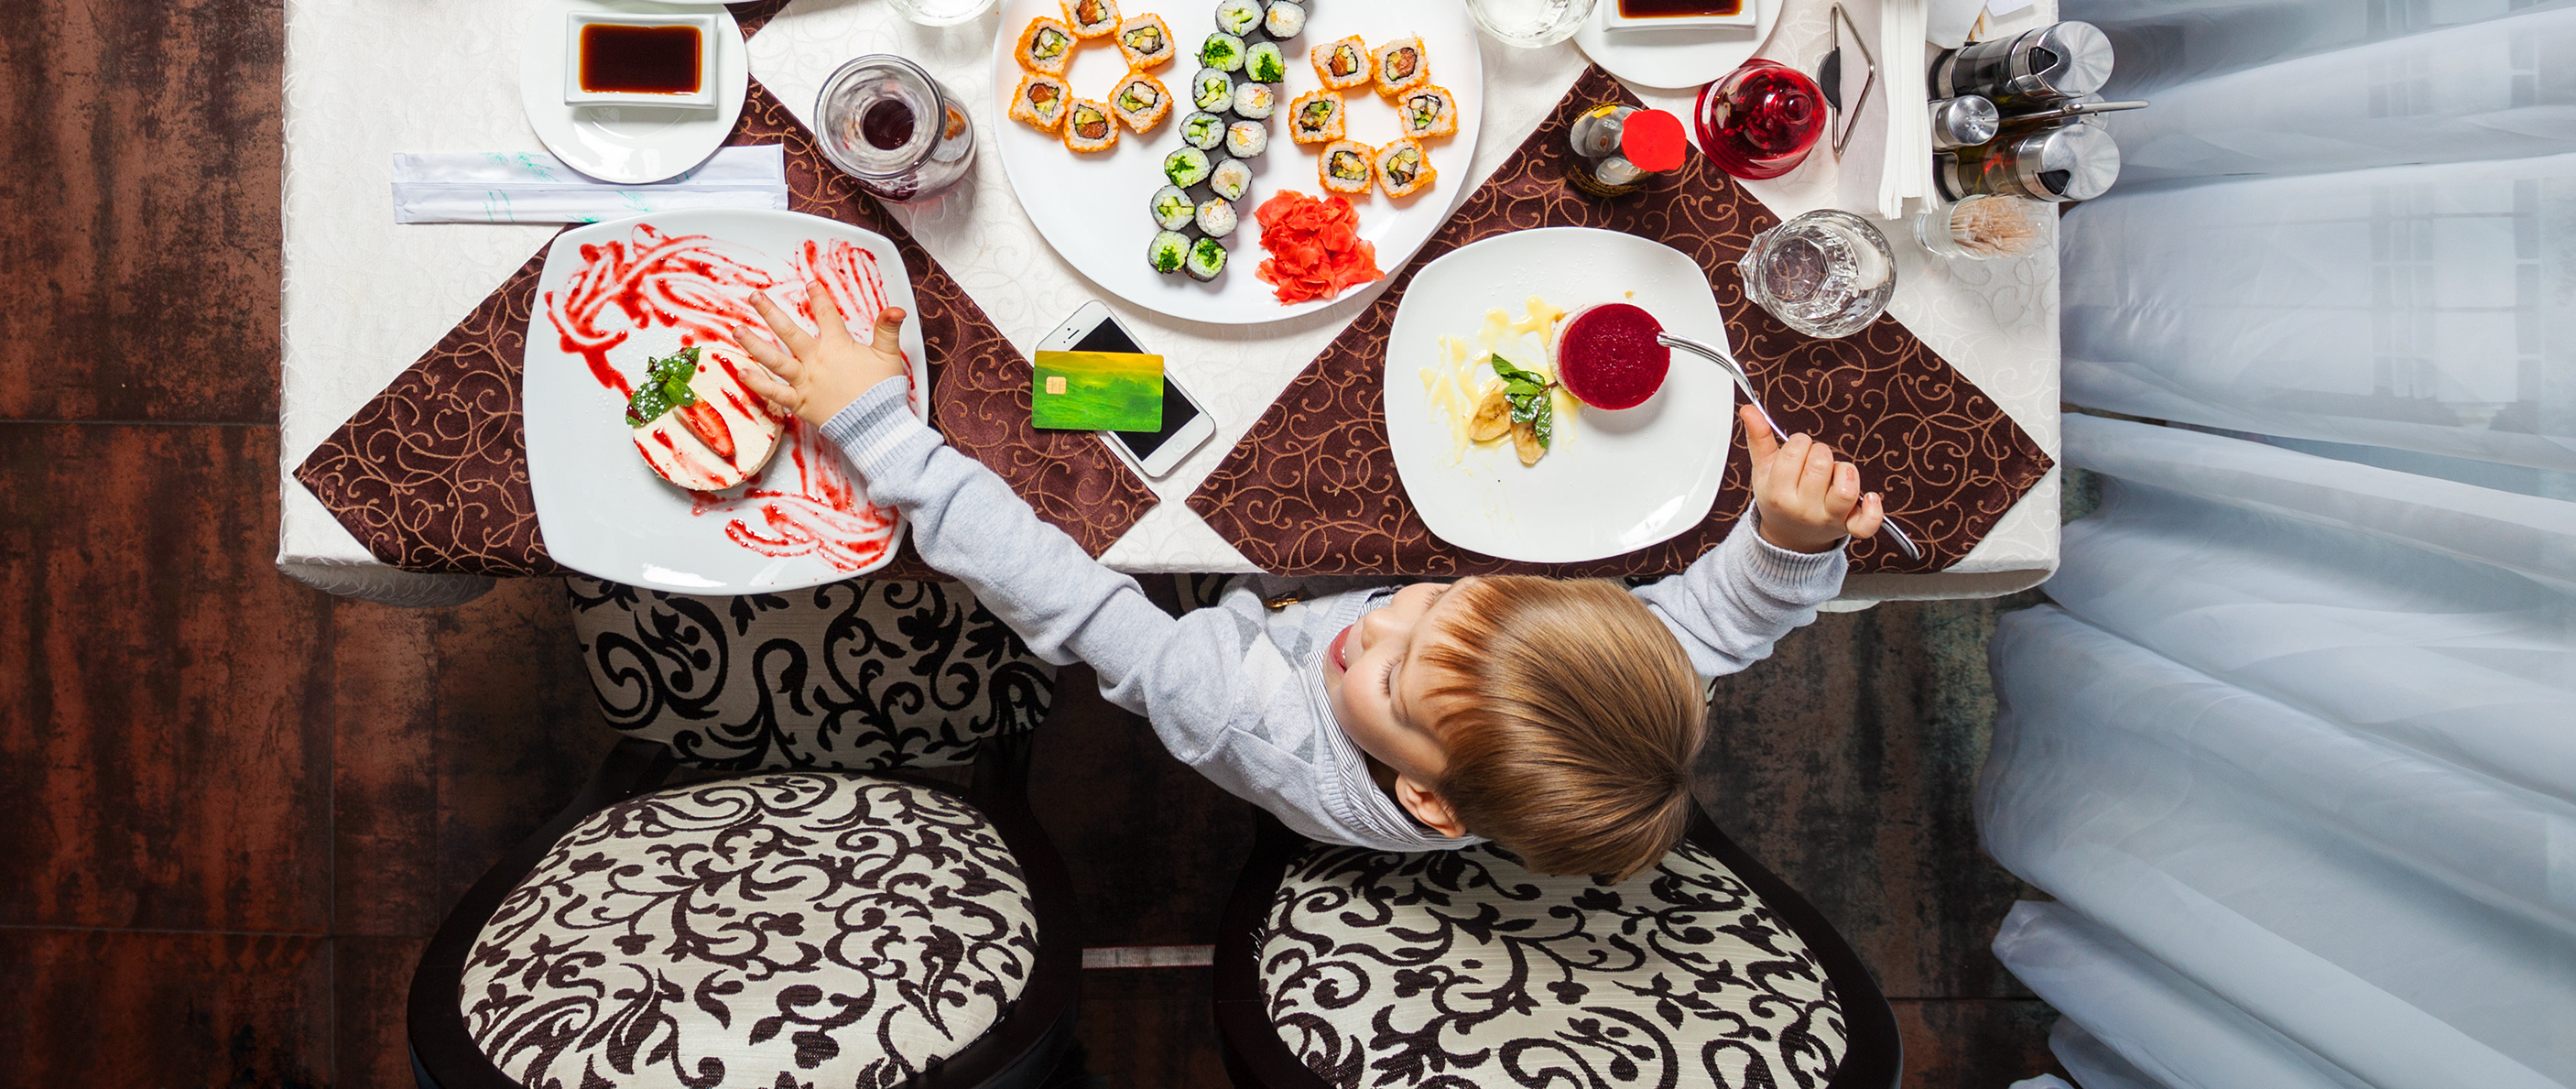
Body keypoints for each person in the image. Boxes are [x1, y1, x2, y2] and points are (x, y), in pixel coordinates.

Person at [737, 289, 1883, 875]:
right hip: (1320, 605)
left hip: (1223, 630)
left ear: (1429, 801)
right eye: (1436, 603)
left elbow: (1070, 600)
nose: (1373, 626)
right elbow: (1727, 620)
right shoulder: (1611, 672)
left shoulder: (1243, 714)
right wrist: (1787, 537)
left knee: (1076, 410)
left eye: (1387, 681)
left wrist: (881, 433)